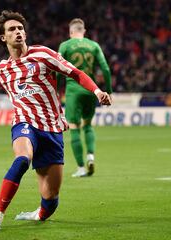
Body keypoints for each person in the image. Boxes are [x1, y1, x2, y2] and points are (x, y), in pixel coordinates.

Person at [0, 10, 112, 233]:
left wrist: (97, 91)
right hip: (25, 123)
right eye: (12, 29)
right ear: (3, 37)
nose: (18, 32)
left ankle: (39, 213)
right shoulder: (3, 69)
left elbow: (76, 73)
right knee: (23, 159)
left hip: (52, 128)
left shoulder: (43, 54)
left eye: (20, 28)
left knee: (50, 198)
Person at [57, 18, 113, 178]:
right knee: (88, 125)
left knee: (74, 126)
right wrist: (108, 91)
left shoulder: (65, 46)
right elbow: (106, 69)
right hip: (91, 89)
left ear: (71, 32)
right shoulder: (94, 45)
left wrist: (56, 90)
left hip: (73, 90)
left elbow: (58, 70)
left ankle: (81, 167)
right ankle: (91, 157)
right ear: (84, 31)